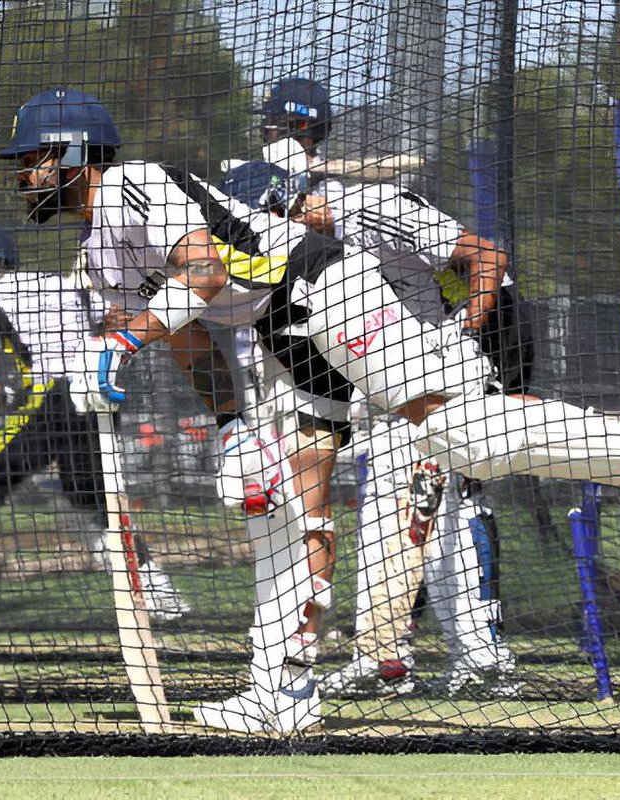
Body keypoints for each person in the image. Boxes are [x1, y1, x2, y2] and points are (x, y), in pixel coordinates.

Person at [0, 87, 620, 734]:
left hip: (327, 287)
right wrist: (231, 426)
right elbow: (190, 339)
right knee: (278, 507)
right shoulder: (98, 256)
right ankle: (282, 692)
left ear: (72, 154)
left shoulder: (136, 183)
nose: (23, 175)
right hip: (278, 333)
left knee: (462, 440)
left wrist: (120, 343)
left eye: (32, 159)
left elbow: (205, 275)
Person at [219, 157, 523, 698]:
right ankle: (386, 655)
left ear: (302, 201)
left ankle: (484, 656)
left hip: (488, 336)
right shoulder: (295, 264)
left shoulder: (373, 210)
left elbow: (489, 258)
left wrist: (463, 335)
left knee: (448, 497)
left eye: (284, 218)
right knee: (388, 492)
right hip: (411, 365)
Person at [0, 223, 190, 630]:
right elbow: (118, 319)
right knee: (95, 505)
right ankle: (160, 599)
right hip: (96, 400)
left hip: (49, 400)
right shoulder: (68, 285)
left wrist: (12, 401)